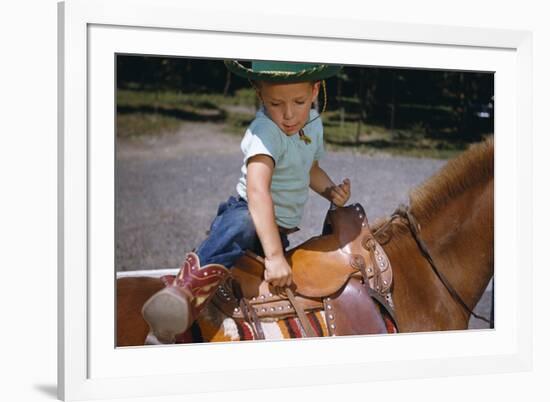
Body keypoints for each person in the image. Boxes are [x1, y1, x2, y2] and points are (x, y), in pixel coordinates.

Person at [142, 60, 351, 343]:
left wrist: (330, 190)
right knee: (242, 223)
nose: (288, 115)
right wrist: (275, 257)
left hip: (276, 230)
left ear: (315, 91)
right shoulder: (265, 131)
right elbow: (257, 191)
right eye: (276, 103)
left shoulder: (313, 125)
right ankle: (182, 292)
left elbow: (309, 169)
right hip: (248, 211)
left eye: (299, 102)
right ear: (260, 95)